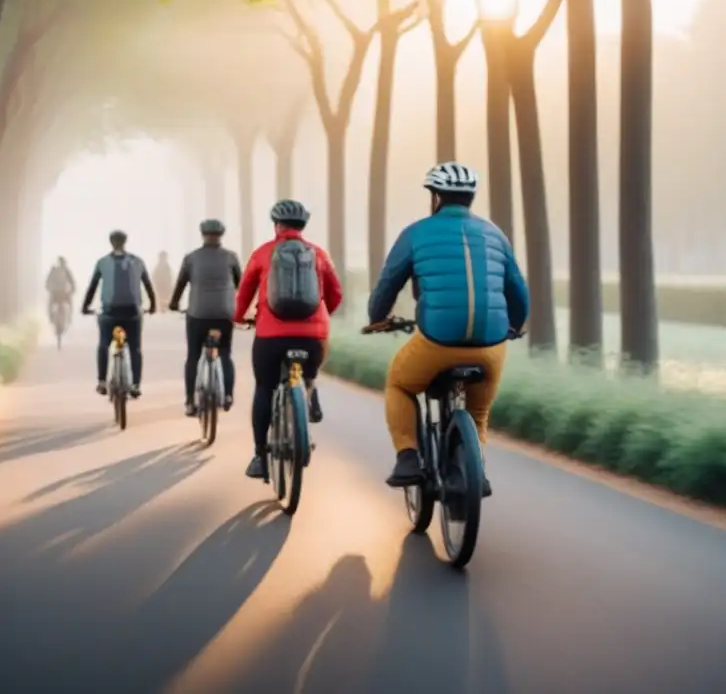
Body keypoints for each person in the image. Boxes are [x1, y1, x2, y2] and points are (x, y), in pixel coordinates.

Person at [365, 162, 530, 496]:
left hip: (437, 341)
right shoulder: (495, 233)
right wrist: (514, 324)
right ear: (471, 197)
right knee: (478, 410)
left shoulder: (415, 233)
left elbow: (388, 284)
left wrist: (377, 317)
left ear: (435, 196)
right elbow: (518, 290)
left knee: (399, 383)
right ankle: (476, 473)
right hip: (490, 345)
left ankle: (408, 457)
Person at [234, 200, 343, 479]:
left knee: (264, 388)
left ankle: (260, 456)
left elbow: (244, 292)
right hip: (313, 338)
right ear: (303, 226)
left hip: (271, 336)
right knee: (309, 371)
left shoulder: (262, 254)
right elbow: (335, 294)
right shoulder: (318, 254)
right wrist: (319, 319)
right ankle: (308, 387)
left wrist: (238, 317)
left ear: (277, 226)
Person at [169, 219, 242, 417]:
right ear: (221, 235)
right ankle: (227, 395)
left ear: (203, 235)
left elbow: (181, 284)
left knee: (193, 356)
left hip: (198, 315)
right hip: (225, 315)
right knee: (225, 353)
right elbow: (241, 286)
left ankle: (190, 401)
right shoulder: (231, 257)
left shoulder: (191, 258)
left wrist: (174, 304)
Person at [80, 230, 157, 397]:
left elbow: (92, 287)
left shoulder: (102, 262)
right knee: (135, 348)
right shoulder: (137, 261)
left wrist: (85, 307)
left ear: (110, 242)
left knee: (103, 345)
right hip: (132, 313)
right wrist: (152, 306)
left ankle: (101, 381)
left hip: (109, 313)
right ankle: (136, 384)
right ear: (125, 242)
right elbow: (148, 286)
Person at [45, 256, 76, 328]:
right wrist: (73, 289)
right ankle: (52, 317)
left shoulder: (64, 270)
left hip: (60, 292)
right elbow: (48, 281)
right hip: (58, 292)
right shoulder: (57, 270)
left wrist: (73, 289)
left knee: (51, 304)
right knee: (51, 304)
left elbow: (72, 281)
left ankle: (68, 317)